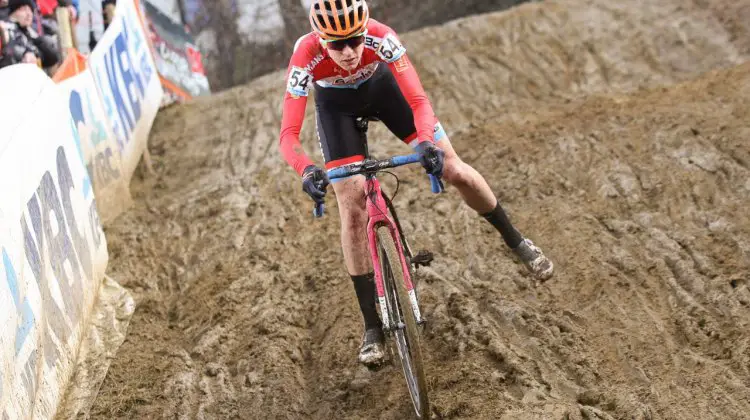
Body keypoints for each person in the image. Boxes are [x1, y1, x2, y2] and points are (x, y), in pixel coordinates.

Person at [278, 0, 554, 367]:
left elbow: (419, 100)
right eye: (336, 44)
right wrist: (306, 168)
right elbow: (288, 134)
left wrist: (425, 141)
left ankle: (517, 242)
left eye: (354, 40)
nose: (347, 52)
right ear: (320, 39)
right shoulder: (305, 54)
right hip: (336, 109)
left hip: (383, 90)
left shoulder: (382, 38)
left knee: (453, 168)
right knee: (351, 203)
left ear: (365, 30)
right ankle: (372, 327)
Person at [0, 0, 59, 69]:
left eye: (31, 11)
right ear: (13, 12)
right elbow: (10, 50)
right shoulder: (4, 29)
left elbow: (50, 57)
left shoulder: (30, 33)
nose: (29, 14)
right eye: (24, 9)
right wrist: (24, 54)